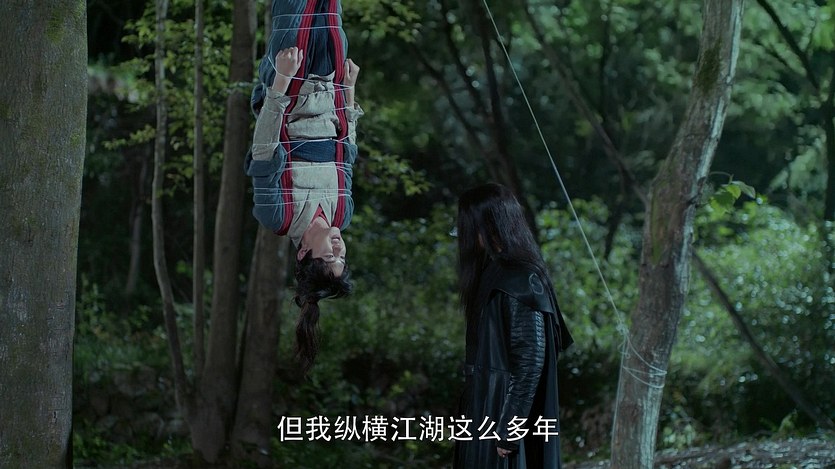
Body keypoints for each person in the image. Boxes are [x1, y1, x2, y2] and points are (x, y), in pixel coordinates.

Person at [245, 0, 362, 373]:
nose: (338, 249)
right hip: (330, 88)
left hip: (290, 86)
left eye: (329, 258)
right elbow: (346, 151)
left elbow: (264, 149)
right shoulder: (343, 213)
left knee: (296, 5)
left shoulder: (278, 216)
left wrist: (280, 80)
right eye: (342, 258)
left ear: (304, 253)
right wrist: (348, 90)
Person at [453, 183, 574, 469]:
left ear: (488, 226)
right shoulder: (493, 272)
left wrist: (510, 428)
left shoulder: (520, 278)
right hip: (484, 406)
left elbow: (530, 359)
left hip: (500, 412)